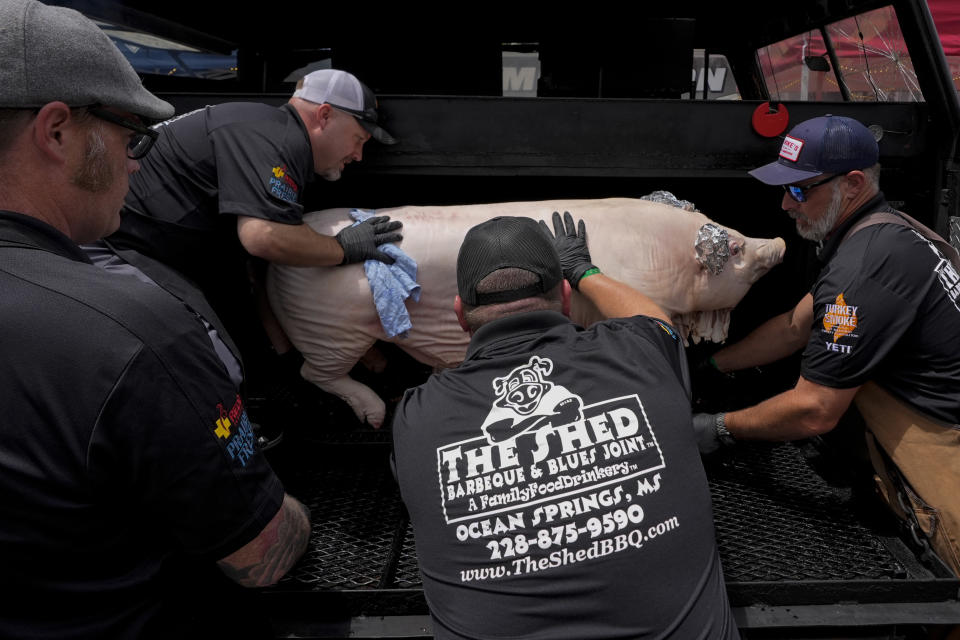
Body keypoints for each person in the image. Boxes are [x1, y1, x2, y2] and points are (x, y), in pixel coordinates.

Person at [0, 1, 310, 637]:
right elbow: (259, 557)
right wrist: (291, 509)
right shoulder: (134, 329)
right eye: (130, 133)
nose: (137, 160)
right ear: (56, 131)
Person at [392, 212, 740, 639]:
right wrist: (584, 270)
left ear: (461, 315)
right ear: (565, 297)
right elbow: (657, 321)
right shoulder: (638, 353)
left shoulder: (417, 418)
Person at [693, 115, 960, 576]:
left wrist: (716, 427)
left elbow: (814, 410)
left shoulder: (865, 266)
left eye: (799, 190)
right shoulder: (888, 228)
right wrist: (710, 366)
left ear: (852, 183)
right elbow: (796, 326)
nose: (784, 204)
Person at [91, 67, 404, 407]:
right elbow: (264, 236)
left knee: (232, 312)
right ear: (324, 115)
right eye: (359, 139)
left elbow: (252, 271)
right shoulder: (277, 139)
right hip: (115, 244)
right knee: (209, 352)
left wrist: (287, 361)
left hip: (147, 242)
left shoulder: (268, 129)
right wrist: (341, 248)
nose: (358, 155)